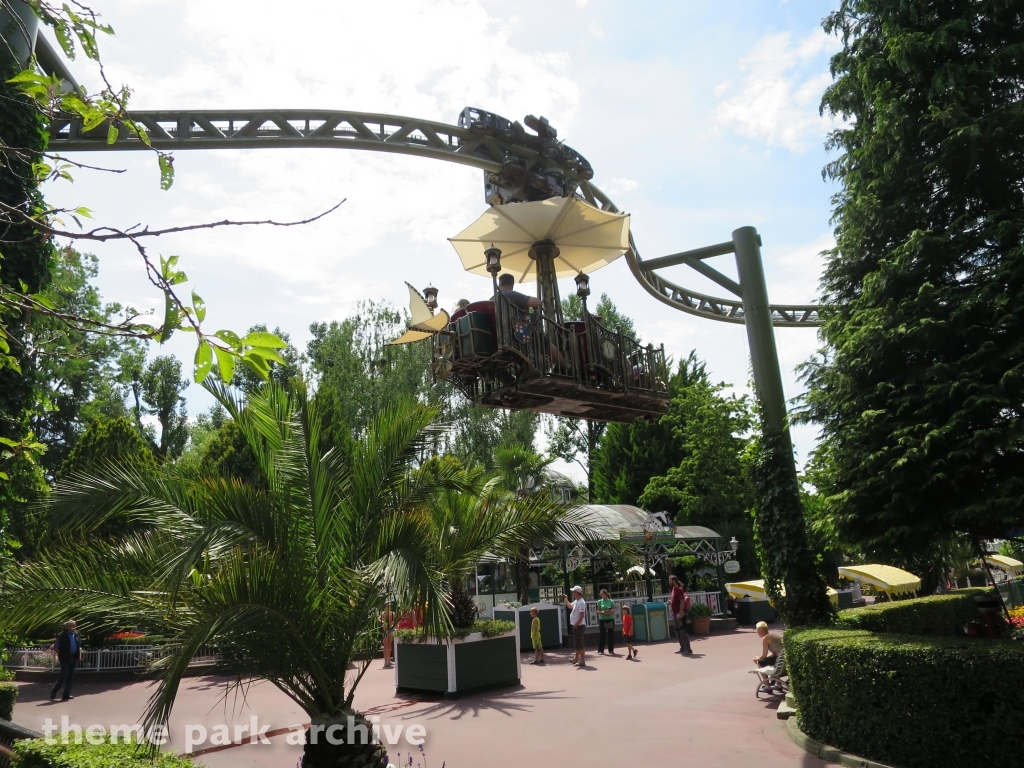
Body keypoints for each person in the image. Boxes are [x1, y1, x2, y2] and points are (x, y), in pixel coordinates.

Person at [50, 620, 81, 701]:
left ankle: (66, 694)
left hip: (73, 657)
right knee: (63, 675)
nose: (73, 627)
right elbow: (56, 646)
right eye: (71, 625)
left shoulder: (76, 634)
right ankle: (54, 691)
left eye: (74, 625)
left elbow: (78, 645)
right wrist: (60, 654)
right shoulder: (62, 635)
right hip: (65, 658)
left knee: (70, 676)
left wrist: (78, 654)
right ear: (67, 626)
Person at [563, 586, 587, 667]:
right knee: (577, 643)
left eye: (574, 592)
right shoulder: (577, 601)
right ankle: (576, 659)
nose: (573, 593)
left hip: (579, 626)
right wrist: (566, 599)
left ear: (577, 592)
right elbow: (570, 606)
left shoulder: (581, 602)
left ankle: (582, 660)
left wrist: (576, 624)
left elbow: (582, 615)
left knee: (580, 643)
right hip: (577, 625)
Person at [669, 575, 693, 655]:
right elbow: (675, 600)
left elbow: (682, 601)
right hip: (674, 612)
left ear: (674, 580)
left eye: (670, 580)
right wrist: (671, 602)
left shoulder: (679, 589)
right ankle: (682, 647)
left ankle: (687, 648)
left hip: (679, 613)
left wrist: (680, 612)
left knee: (682, 631)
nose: (669, 581)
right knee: (677, 631)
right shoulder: (673, 589)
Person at [596, 589, 615, 655]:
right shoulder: (599, 601)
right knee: (602, 635)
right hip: (602, 619)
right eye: (600, 594)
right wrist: (603, 612)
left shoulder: (611, 601)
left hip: (610, 618)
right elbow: (598, 611)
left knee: (611, 635)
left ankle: (611, 650)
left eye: (602, 594)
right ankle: (600, 650)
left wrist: (611, 611)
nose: (601, 595)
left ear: (606, 594)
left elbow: (613, 609)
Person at [380, 602, 396, 668]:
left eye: (390, 606)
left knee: (389, 645)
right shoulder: (383, 613)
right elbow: (379, 619)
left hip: (391, 630)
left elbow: (395, 621)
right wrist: (384, 622)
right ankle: (386, 661)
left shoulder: (393, 613)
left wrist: (393, 624)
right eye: (388, 606)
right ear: (385, 607)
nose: (389, 607)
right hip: (386, 630)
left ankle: (388, 660)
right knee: (386, 646)